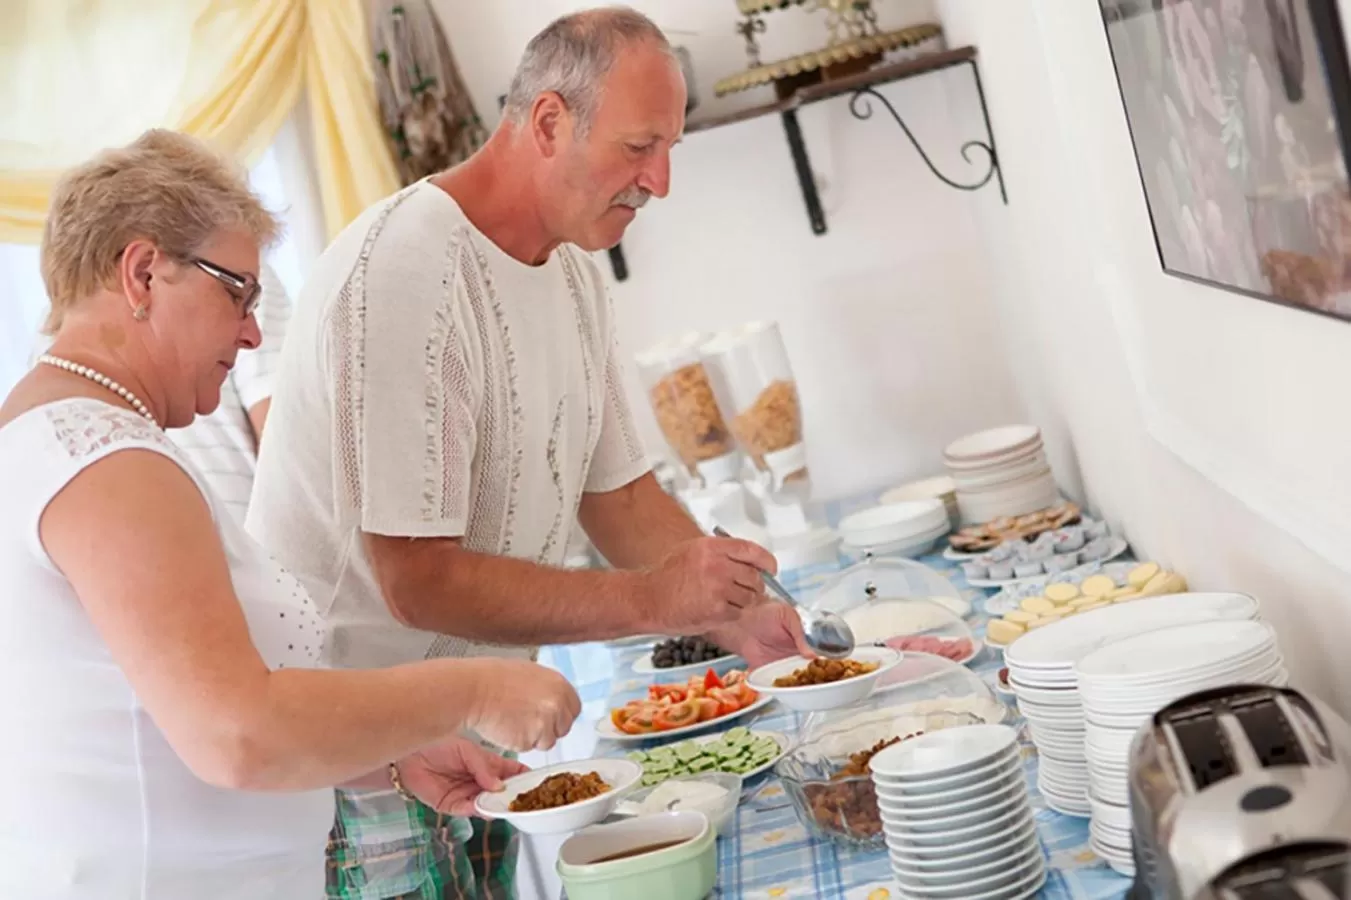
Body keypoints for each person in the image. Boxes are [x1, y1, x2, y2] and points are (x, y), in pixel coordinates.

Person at [247, 7, 812, 898]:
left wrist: (734, 613)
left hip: (479, 733)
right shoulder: (403, 271)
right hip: (360, 762)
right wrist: (649, 600)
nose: (659, 180)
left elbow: (619, 495)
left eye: (668, 148)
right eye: (637, 148)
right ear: (548, 122)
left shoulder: (576, 269)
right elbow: (415, 579)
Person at [0, 128, 582, 899]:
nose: (250, 331)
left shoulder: (63, 439)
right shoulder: (103, 459)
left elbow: (153, 718)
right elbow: (235, 734)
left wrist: (394, 751)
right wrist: (471, 689)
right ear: (143, 272)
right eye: (235, 290)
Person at [33, 262, 291, 524]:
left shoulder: (54, 333)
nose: (252, 336)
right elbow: (285, 449)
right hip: (224, 537)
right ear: (142, 276)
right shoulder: (234, 271)